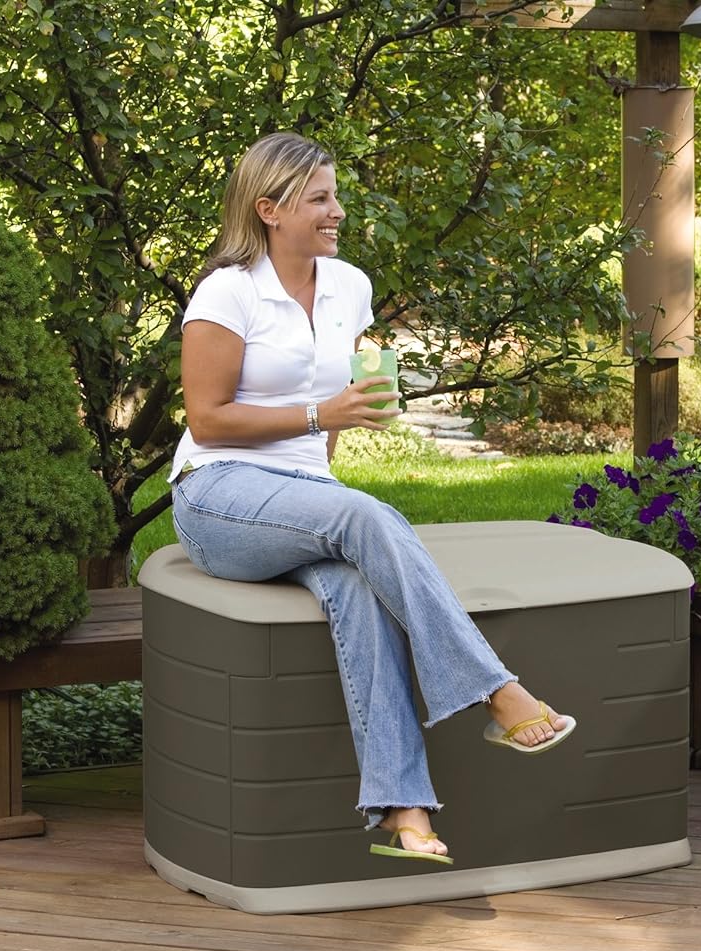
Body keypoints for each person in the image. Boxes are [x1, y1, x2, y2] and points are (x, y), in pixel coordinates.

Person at [168, 132, 575, 865]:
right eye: (319, 199)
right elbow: (207, 419)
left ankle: (402, 809)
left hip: (305, 497)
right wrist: (321, 417)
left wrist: (332, 435)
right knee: (365, 513)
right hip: (218, 495)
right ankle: (498, 693)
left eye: (335, 196)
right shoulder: (228, 291)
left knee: (358, 587)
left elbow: (343, 404)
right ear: (269, 209)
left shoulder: (349, 285)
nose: (337, 212)